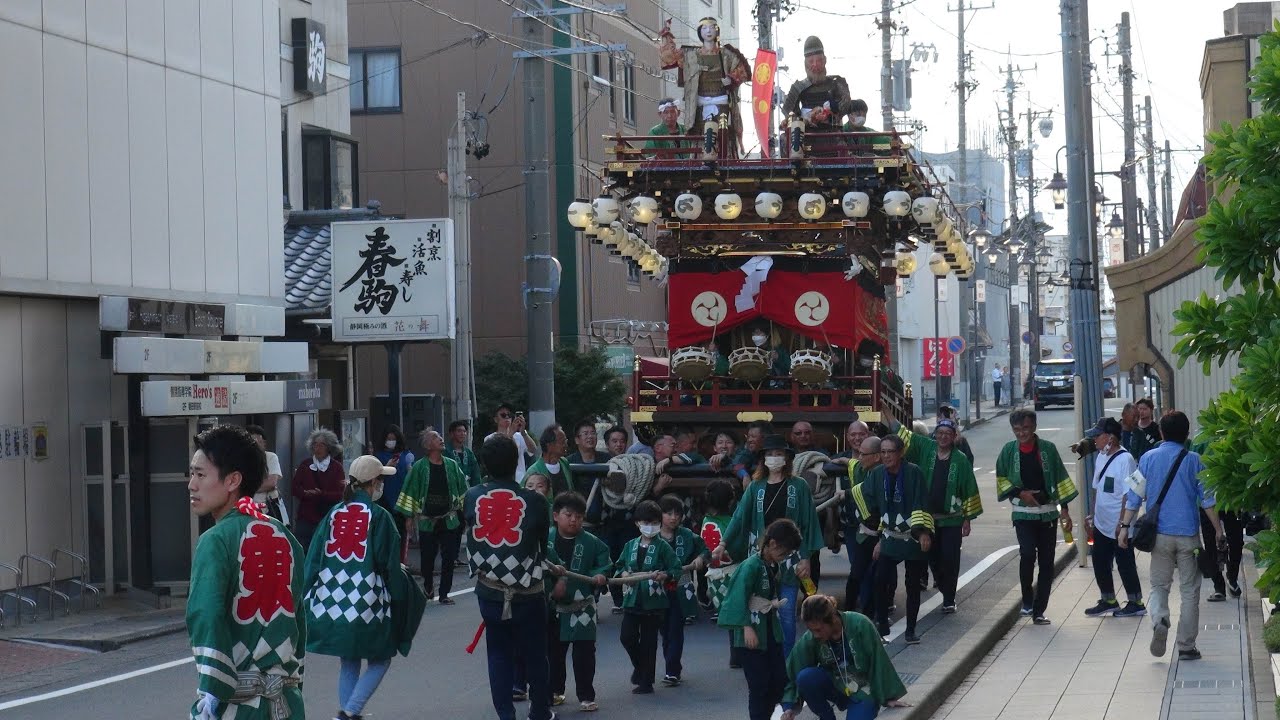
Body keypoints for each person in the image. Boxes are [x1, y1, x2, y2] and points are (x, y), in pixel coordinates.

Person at [186, 425, 306, 720]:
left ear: (233, 480)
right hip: (287, 702)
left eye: (201, 475)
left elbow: (205, 615)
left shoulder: (215, 540)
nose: (191, 484)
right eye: (192, 474)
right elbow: (299, 620)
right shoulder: (286, 537)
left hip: (238, 704)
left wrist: (212, 694)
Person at [303, 455, 427, 720]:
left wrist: (302, 594)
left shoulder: (334, 513)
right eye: (380, 480)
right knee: (381, 658)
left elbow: (313, 558)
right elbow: (389, 565)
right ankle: (350, 712)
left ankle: (347, 713)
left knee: (349, 660)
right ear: (373, 483)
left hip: (332, 598)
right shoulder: (380, 517)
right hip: (368, 600)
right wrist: (400, 598)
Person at [1118, 411, 1224, 661]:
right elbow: (1208, 500)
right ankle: (1186, 646)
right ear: (1187, 434)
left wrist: (1124, 527)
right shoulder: (1195, 460)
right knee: (1190, 591)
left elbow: (1133, 497)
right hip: (1188, 535)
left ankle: (1161, 619)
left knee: (1159, 585)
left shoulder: (1147, 458)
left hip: (1159, 536)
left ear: (1161, 433)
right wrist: (1218, 530)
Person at [464, 434, 555, 720]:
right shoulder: (535, 501)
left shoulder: (473, 496)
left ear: (484, 464)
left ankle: (506, 715)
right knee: (535, 653)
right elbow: (542, 543)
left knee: (498, 653)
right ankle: (540, 711)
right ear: (517, 461)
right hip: (528, 590)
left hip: (490, 590)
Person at [712, 434, 823, 658]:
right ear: (763, 459)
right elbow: (739, 515)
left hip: (791, 556)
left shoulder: (798, 486)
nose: (774, 458)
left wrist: (806, 557)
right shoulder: (756, 486)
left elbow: (809, 523)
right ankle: (762, 654)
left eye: (779, 454)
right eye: (770, 455)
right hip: (761, 556)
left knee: (787, 612)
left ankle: (787, 659)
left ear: (787, 459)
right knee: (758, 607)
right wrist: (723, 542)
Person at [995, 409, 1076, 625]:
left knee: (1047, 563)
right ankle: (1027, 600)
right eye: (1017, 429)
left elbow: (1060, 480)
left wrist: (1065, 510)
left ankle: (1039, 610)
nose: (1022, 433)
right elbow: (1002, 478)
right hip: (1023, 512)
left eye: (1026, 428)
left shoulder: (1047, 449)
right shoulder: (1008, 450)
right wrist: (1020, 493)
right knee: (1028, 554)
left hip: (1048, 513)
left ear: (1034, 427)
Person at [718, 518, 804, 720]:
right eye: (783, 553)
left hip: (770, 628)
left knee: (778, 680)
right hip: (752, 629)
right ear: (772, 544)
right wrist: (746, 626)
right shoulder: (750, 566)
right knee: (758, 685)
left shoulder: (773, 565)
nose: (784, 558)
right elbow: (737, 598)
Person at [894, 417, 982, 613]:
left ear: (954, 437)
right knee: (932, 556)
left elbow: (969, 488)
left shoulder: (961, 460)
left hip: (952, 519)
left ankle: (949, 598)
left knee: (950, 558)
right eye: (940, 433)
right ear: (935, 435)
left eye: (948, 434)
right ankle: (942, 585)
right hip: (928, 518)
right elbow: (903, 435)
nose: (943, 437)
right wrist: (885, 412)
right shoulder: (926, 447)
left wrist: (967, 519)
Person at [781, 594, 910, 720]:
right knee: (805, 677)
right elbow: (793, 667)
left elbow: (879, 661)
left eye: (818, 630)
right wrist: (788, 707)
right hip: (835, 683)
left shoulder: (860, 624)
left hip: (863, 690)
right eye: (811, 630)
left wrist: (889, 697)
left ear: (832, 619)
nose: (815, 635)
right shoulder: (812, 638)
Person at [545, 491, 612, 713]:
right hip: (554, 608)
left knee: (584, 654)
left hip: (582, 607)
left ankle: (586, 695)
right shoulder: (545, 540)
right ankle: (555, 690)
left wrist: (600, 575)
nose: (574, 520)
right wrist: (553, 587)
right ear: (556, 515)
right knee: (553, 653)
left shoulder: (592, 542)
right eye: (568, 515)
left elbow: (604, 562)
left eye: (579, 516)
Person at [863, 434, 933, 643]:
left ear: (900, 453)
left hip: (912, 536)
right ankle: (882, 625)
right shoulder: (876, 475)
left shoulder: (914, 473)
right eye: (882, 452)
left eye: (890, 451)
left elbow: (922, 503)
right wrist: (877, 537)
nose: (886, 456)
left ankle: (911, 630)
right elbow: (870, 504)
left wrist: (923, 534)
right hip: (889, 536)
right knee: (880, 580)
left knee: (912, 585)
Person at [1080, 417, 1145, 618]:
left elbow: (1131, 493)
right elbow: (1097, 489)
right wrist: (1091, 515)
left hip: (1120, 523)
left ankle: (1136, 602)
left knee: (1125, 563)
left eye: (1098, 436)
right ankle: (1108, 600)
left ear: (1111, 438)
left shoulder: (1126, 460)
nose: (1095, 440)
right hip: (1101, 522)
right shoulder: (1101, 457)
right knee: (1100, 561)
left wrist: (1123, 523)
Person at [657, 17, 750, 158]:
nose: (708, 31)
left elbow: (743, 73)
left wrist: (730, 80)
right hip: (698, 104)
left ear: (717, 31)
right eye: (705, 28)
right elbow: (668, 59)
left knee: (723, 134)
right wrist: (666, 35)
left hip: (722, 102)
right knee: (699, 136)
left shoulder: (727, 54)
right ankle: (699, 162)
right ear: (700, 32)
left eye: (712, 28)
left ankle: (725, 160)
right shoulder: (690, 55)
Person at [397, 429, 469, 605]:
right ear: (428, 445)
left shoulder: (452, 465)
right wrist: (408, 518)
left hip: (450, 519)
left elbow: (462, 490)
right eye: (437, 438)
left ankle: (444, 593)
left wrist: (467, 513)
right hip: (427, 520)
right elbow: (410, 491)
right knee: (427, 558)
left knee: (449, 557)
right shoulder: (419, 468)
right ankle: (428, 585)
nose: (441, 439)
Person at [616, 499, 680, 694]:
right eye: (646, 523)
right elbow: (619, 565)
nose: (650, 527)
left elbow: (675, 567)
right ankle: (640, 667)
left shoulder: (663, 547)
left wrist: (665, 575)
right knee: (627, 637)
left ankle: (646, 681)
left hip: (654, 600)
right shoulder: (630, 545)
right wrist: (625, 574)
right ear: (637, 523)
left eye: (654, 523)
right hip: (632, 598)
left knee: (649, 642)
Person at [657, 494, 709, 685]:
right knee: (664, 631)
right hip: (658, 591)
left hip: (680, 588)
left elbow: (705, 549)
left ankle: (671, 670)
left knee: (675, 630)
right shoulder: (652, 537)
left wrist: (700, 558)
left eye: (677, 514)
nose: (673, 518)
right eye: (668, 513)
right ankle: (673, 666)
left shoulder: (687, 535)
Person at [840, 436, 883, 614]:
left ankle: (878, 617)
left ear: (877, 457)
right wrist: (840, 460)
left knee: (880, 577)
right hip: (864, 533)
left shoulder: (884, 475)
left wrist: (846, 492)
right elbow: (853, 463)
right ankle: (848, 614)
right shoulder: (865, 469)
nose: (859, 458)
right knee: (856, 576)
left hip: (884, 534)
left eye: (863, 454)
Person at [292, 427, 347, 550]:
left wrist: (322, 494)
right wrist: (305, 493)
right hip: (305, 518)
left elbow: (339, 494)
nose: (318, 448)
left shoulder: (336, 468)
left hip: (327, 517)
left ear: (329, 447)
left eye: (321, 445)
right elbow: (294, 488)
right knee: (302, 549)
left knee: (324, 550)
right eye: (315, 445)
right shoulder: (305, 465)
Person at [245, 424, 288, 526]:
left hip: (267, 510)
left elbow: (271, 483)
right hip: (247, 510)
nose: (252, 445)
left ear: (263, 442)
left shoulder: (270, 457)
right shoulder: (239, 461)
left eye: (256, 441)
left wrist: (246, 488)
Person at [485, 403, 537, 480]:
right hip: (501, 480)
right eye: (503, 415)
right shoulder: (490, 438)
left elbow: (533, 450)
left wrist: (523, 432)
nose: (507, 417)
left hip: (520, 480)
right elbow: (499, 456)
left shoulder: (519, 436)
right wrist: (511, 433)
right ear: (496, 419)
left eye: (509, 415)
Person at [374, 424, 415, 514]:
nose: (391, 442)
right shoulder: (379, 456)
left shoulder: (406, 455)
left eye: (393, 439)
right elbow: (375, 478)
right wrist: (387, 468)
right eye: (389, 439)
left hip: (404, 497)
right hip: (385, 498)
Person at [527, 424, 576, 498]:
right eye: (562, 442)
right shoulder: (534, 471)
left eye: (566, 441)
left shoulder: (564, 463)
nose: (566, 445)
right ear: (549, 445)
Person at [445, 420, 483, 488]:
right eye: (459, 431)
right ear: (451, 434)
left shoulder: (469, 453)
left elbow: (476, 473)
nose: (462, 433)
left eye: (464, 431)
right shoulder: (445, 451)